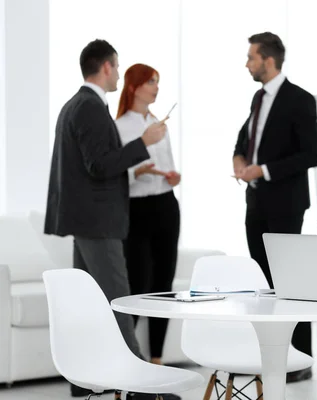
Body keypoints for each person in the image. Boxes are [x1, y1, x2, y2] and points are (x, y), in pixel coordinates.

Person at [44, 39, 171, 400]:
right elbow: (99, 165)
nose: (117, 73)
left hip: (86, 221)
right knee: (118, 301)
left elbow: (92, 165)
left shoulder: (76, 105)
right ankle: (141, 390)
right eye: (116, 66)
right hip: (97, 224)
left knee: (88, 305)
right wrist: (143, 142)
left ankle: (84, 380)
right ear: (107, 67)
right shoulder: (89, 107)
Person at [232, 32, 317, 383]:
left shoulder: (300, 99)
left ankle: (300, 360)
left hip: (285, 204)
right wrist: (240, 159)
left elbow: (311, 154)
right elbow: (244, 140)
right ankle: (271, 358)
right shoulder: (258, 98)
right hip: (256, 202)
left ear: (268, 60)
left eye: (251, 57)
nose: (247, 63)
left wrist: (263, 170)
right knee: (264, 282)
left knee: (291, 283)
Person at [115, 63, 181, 367]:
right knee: (138, 283)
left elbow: (167, 163)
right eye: (151, 82)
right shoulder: (120, 126)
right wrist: (135, 170)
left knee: (164, 286)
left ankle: (157, 362)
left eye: (158, 81)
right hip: (137, 208)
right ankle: (129, 360)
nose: (156, 87)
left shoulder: (158, 123)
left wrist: (173, 176)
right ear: (134, 86)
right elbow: (116, 173)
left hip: (166, 204)